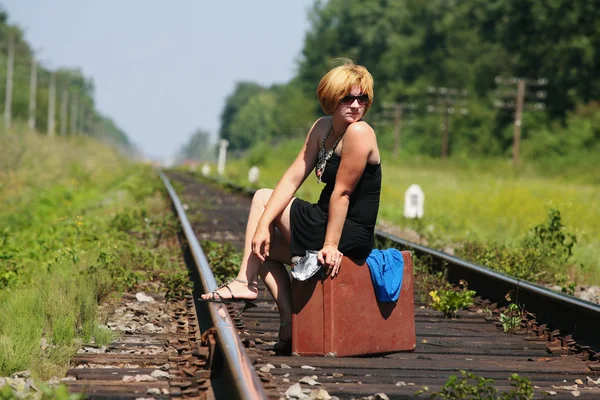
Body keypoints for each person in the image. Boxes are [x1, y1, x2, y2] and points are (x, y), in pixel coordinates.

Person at [200, 59, 381, 353]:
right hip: (327, 219)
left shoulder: (360, 134)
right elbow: (295, 174)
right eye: (348, 97)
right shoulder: (323, 128)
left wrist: (331, 245)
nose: (356, 105)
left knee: (261, 197)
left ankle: (245, 282)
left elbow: (343, 194)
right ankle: (288, 324)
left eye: (363, 98)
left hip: (347, 231)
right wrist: (262, 228)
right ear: (331, 99)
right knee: (262, 250)